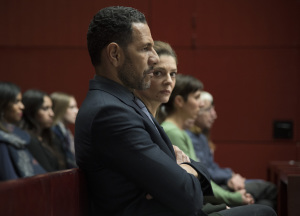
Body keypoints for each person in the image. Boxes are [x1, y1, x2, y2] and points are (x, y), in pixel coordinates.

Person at [75, 6, 276, 216]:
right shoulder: (110, 112)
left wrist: (182, 171)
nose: (153, 58)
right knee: (262, 213)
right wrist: (185, 169)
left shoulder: (122, 103)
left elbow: (187, 184)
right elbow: (187, 195)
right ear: (115, 54)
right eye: (145, 48)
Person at [135, 41, 254, 208]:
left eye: (173, 74)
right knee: (264, 207)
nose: (168, 81)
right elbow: (177, 184)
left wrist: (191, 171)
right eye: (158, 73)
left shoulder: (160, 125)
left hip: (192, 204)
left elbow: (200, 173)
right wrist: (230, 199)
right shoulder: (169, 129)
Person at [186, 91, 277, 210]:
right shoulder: (189, 136)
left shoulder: (201, 136)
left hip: (221, 184)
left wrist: (231, 175)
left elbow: (211, 166)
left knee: (262, 202)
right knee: (268, 189)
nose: (214, 115)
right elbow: (204, 171)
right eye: (209, 110)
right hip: (216, 189)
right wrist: (229, 177)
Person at [0, 82, 46, 181]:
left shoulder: (17, 135)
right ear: (2, 104)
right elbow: (9, 180)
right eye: (16, 102)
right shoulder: (2, 141)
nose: (22, 107)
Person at [21, 89, 67, 172]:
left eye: (51, 108)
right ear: (31, 111)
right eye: (45, 108)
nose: (52, 114)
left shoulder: (51, 136)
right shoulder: (27, 139)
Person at [51, 92, 78, 168]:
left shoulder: (66, 132)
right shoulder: (54, 133)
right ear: (60, 108)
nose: (77, 111)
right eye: (72, 107)